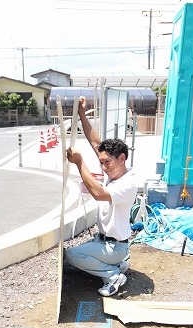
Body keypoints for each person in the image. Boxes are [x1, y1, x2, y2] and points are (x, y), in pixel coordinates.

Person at [65, 96, 139, 297]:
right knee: (68, 262)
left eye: (107, 163)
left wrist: (80, 163)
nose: (104, 167)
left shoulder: (128, 183)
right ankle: (118, 265)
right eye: (101, 163)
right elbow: (95, 141)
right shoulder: (116, 172)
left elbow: (98, 194)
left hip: (115, 246)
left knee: (73, 255)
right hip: (104, 242)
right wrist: (81, 113)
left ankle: (113, 275)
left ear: (122, 158)